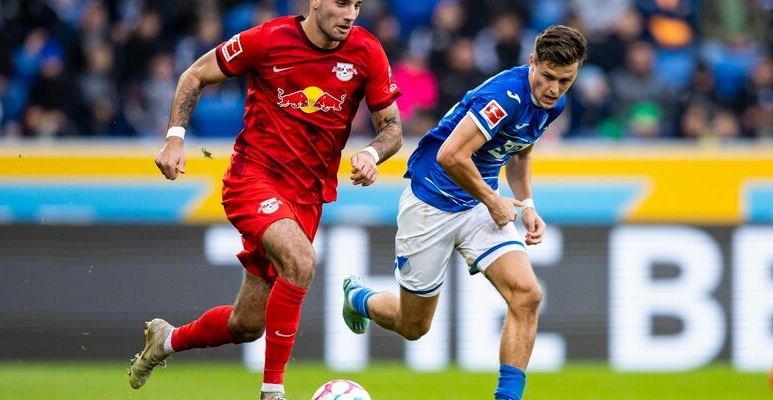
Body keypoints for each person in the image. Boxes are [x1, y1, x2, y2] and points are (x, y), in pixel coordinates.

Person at [128, 1, 403, 399]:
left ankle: (166, 340)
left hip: (306, 198)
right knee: (301, 260)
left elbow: (392, 127)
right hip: (253, 179)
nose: (351, 14)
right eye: (343, 2)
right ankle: (272, 391)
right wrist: (174, 137)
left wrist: (372, 153)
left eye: (358, 5)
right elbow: (195, 74)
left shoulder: (367, 51)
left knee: (246, 324)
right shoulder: (269, 39)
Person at [342, 25, 587, 400]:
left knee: (527, 295)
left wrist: (528, 205)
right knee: (413, 326)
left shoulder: (554, 103)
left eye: (565, 80)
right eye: (548, 76)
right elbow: (450, 155)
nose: (554, 89)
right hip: (431, 203)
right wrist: (492, 200)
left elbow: (520, 152)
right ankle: (359, 298)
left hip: (478, 205)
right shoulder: (504, 97)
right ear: (532, 61)